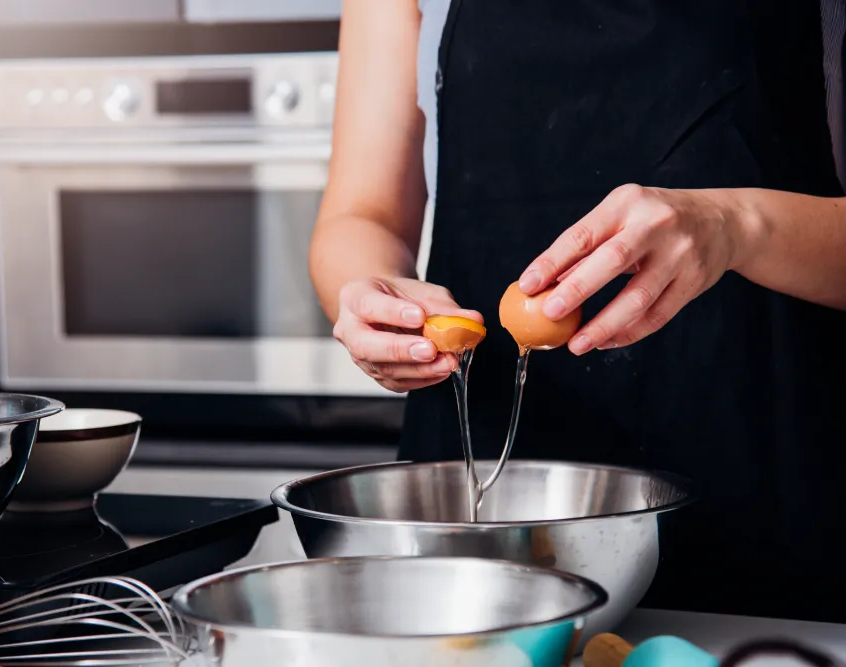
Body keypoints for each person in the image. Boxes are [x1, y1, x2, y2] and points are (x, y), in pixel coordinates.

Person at [309, 0, 846, 621]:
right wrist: (374, 297)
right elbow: (360, 216)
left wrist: (738, 226)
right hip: (479, 522)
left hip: (774, 497)